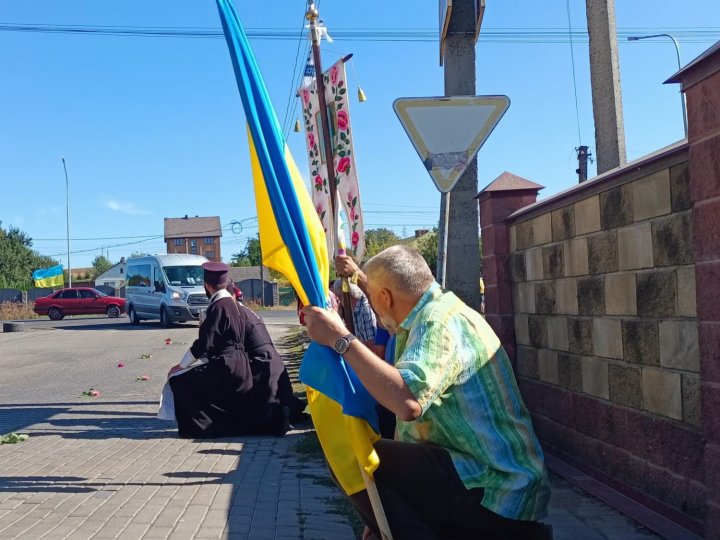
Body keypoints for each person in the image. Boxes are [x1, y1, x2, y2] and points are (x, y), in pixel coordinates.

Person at [303, 246, 551, 540]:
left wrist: (340, 339)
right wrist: (381, 508)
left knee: (350, 454)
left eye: (372, 297)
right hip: (484, 475)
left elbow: (406, 402)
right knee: (366, 460)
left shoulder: (437, 322)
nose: (374, 307)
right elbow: (412, 428)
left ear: (385, 296)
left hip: (496, 487)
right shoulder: (435, 314)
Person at [167, 262, 290, 438]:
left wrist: (181, 365)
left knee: (180, 381)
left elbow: (204, 343)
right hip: (241, 364)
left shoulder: (218, 307)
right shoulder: (234, 305)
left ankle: (197, 428)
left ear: (207, 286)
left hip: (226, 366)